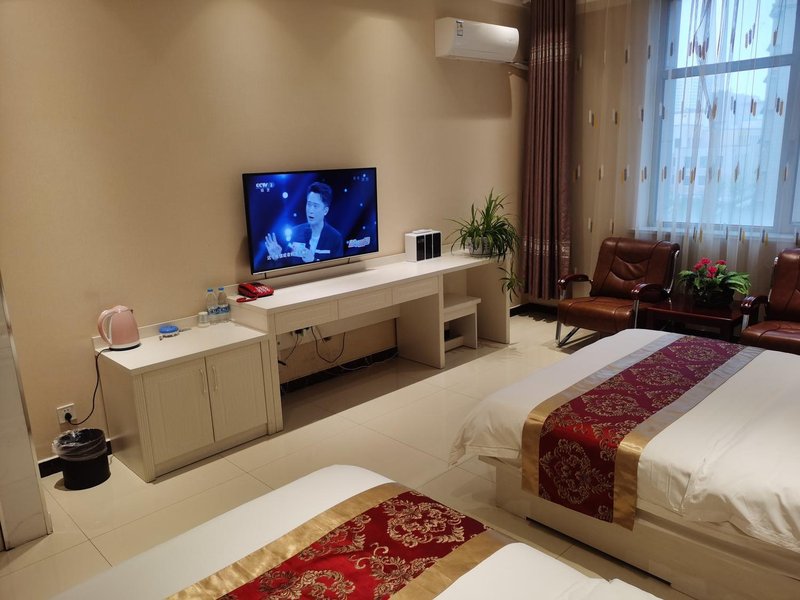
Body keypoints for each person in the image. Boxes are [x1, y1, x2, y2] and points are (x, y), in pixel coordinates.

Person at [265, 181, 344, 264]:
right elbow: (286, 265)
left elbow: (336, 268)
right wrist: (277, 257)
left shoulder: (335, 238)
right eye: (309, 204)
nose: (310, 210)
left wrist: (313, 261)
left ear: (325, 211)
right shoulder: (295, 232)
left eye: (315, 206)